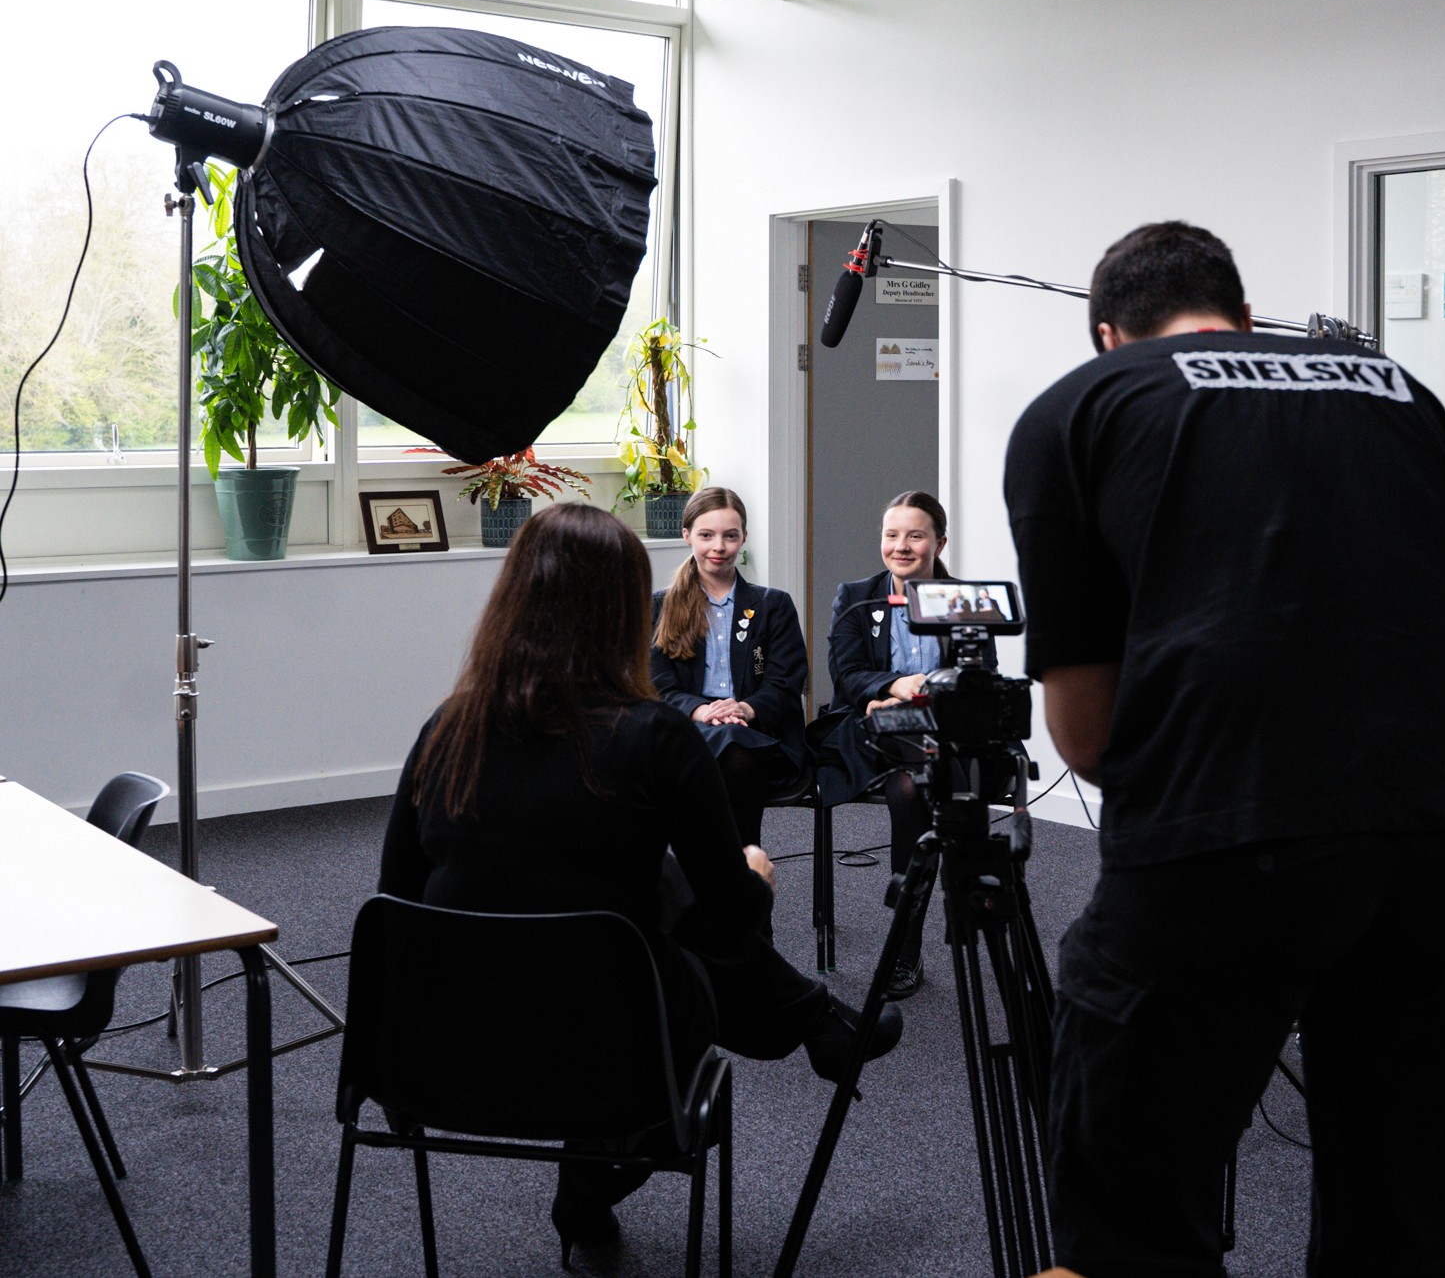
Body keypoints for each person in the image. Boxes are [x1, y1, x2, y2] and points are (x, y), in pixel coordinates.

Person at [1005, 221, 1445, 1277]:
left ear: (1109, 334)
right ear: (1244, 318)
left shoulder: (1078, 408)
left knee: (1132, 1198)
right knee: (1404, 1203)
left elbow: (1089, 736)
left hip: (1225, 833)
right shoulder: (1396, 392)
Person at [379, 503, 900, 1264]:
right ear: (625, 611)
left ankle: (817, 1021)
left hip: (450, 1049)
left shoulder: (447, 727)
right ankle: (804, 1024)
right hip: (615, 1052)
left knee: (643, 885)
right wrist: (754, 877)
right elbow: (728, 920)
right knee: (670, 914)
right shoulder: (653, 737)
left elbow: (397, 900)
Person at [812, 490, 1011, 1000]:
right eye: (892, 534)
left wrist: (934, 690)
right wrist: (891, 688)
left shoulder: (964, 597)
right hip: (871, 732)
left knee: (911, 789)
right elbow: (847, 673)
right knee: (921, 774)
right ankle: (922, 933)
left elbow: (981, 672)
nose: (901, 546)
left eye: (915, 535)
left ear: (939, 542)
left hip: (943, 731)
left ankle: (905, 946)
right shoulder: (856, 595)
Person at [649, 487, 807, 850]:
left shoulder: (773, 605)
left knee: (733, 748)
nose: (718, 546)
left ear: (744, 538)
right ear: (686, 534)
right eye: (706, 535)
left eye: (730, 536)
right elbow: (656, 685)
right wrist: (703, 711)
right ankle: (739, 875)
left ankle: (721, 877)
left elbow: (786, 682)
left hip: (759, 736)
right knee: (721, 751)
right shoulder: (660, 606)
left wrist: (743, 709)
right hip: (692, 730)